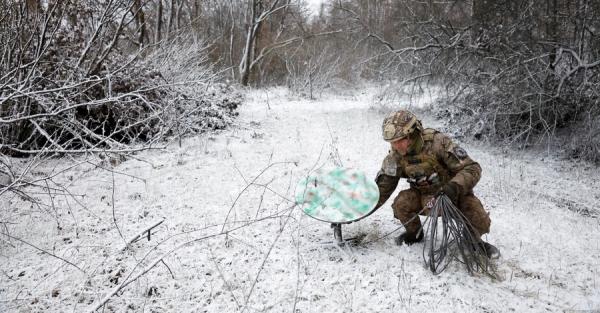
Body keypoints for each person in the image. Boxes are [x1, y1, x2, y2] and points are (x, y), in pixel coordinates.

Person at [374, 110, 500, 259]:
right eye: (392, 142)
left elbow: (472, 168)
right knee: (401, 203)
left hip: (453, 195)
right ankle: (414, 234)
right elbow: (382, 188)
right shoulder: (395, 156)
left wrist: (453, 188)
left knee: (479, 217)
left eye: (399, 140)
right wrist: (358, 211)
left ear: (412, 134)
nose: (395, 146)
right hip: (424, 198)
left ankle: (473, 242)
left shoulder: (438, 143)